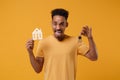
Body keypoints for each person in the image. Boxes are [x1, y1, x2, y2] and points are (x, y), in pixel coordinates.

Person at [26, 8, 98, 80]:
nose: (58, 27)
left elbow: (94, 57)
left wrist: (90, 38)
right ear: (51, 24)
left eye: (61, 24)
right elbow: (37, 69)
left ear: (66, 24)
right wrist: (30, 52)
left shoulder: (76, 41)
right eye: (55, 24)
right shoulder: (43, 42)